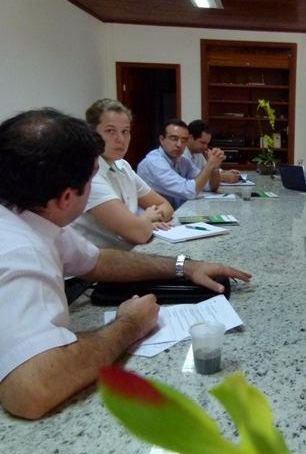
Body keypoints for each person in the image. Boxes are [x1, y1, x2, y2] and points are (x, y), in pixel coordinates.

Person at [0, 109, 251, 419]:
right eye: (92, 178)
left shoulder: (31, 214)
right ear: (67, 198)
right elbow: (32, 389)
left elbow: (97, 260)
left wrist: (185, 266)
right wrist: (130, 324)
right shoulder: (19, 250)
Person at [72, 99, 174, 249]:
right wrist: (144, 220)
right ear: (92, 134)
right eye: (110, 131)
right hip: (97, 263)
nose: (120, 139)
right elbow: (137, 233)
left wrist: (143, 223)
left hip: (128, 251)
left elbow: (165, 205)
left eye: (125, 131)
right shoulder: (88, 173)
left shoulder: (123, 166)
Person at [137, 119, 225, 209]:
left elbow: (211, 186)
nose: (179, 144)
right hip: (154, 219)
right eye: (174, 139)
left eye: (184, 140)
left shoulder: (182, 161)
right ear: (162, 140)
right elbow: (189, 192)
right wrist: (209, 165)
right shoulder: (154, 162)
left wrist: (215, 168)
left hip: (174, 213)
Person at [183, 120, 242, 184]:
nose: (205, 146)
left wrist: (225, 172)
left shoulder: (198, 153)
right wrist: (222, 177)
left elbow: (207, 170)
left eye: (207, 143)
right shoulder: (181, 154)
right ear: (190, 137)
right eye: (202, 142)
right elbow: (191, 179)